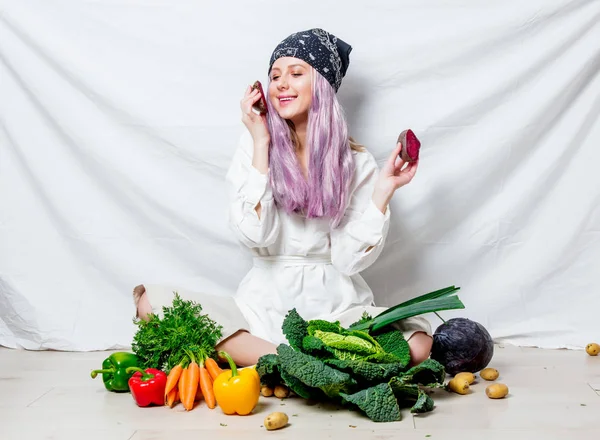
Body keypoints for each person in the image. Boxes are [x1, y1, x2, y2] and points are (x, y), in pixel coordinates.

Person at [133, 28, 432, 367]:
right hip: (262, 307)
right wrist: (261, 141)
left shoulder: (356, 161)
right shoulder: (254, 146)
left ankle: (288, 361)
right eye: (275, 75)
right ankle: (293, 361)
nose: (281, 84)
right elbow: (255, 235)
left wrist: (383, 191)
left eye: (296, 73)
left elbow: (348, 262)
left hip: (336, 312)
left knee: (419, 341)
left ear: (321, 84)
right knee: (151, 304)